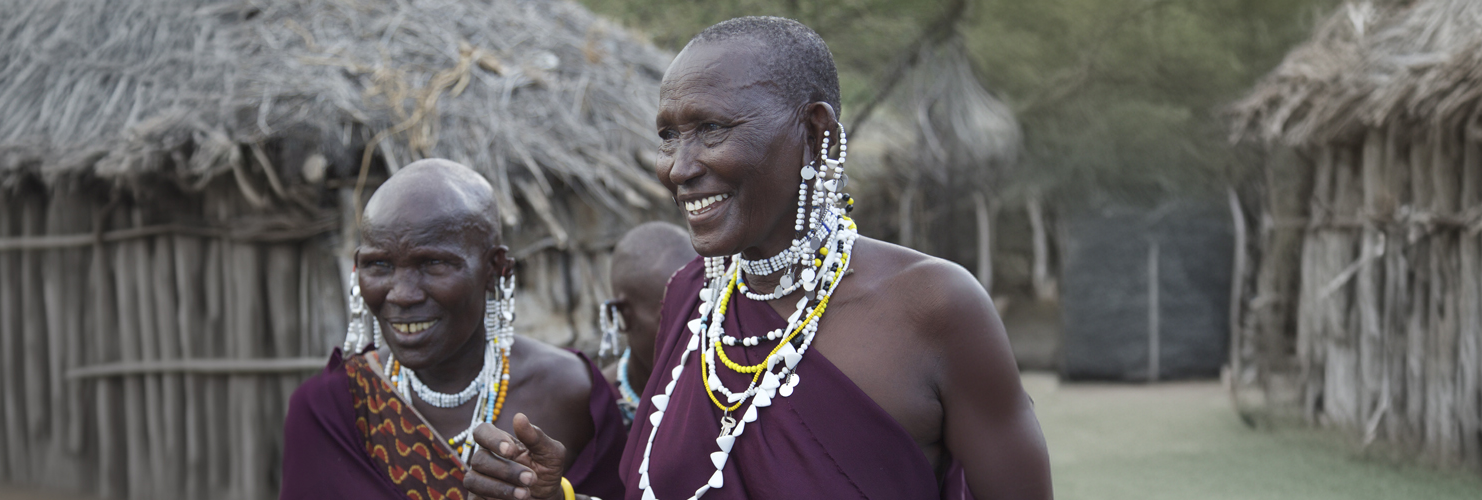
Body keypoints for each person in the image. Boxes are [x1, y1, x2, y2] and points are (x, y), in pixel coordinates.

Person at [464, 17, 1051, 500]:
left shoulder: (935, 307)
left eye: (711, 129)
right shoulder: (690, 300)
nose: (679, 167)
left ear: (815, 132)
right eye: (670, 135)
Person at [279, 159, 626, 500]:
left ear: (495, 268)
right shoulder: (330, 409)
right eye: (378, 265)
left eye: (433, 263)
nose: (402, 294)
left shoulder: (572, 393)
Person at [599, 222, 697, 421]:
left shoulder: (732, 391)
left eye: (705, 312)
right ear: (622, 315)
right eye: (673, 319)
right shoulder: (596, 409)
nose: (696, 331)